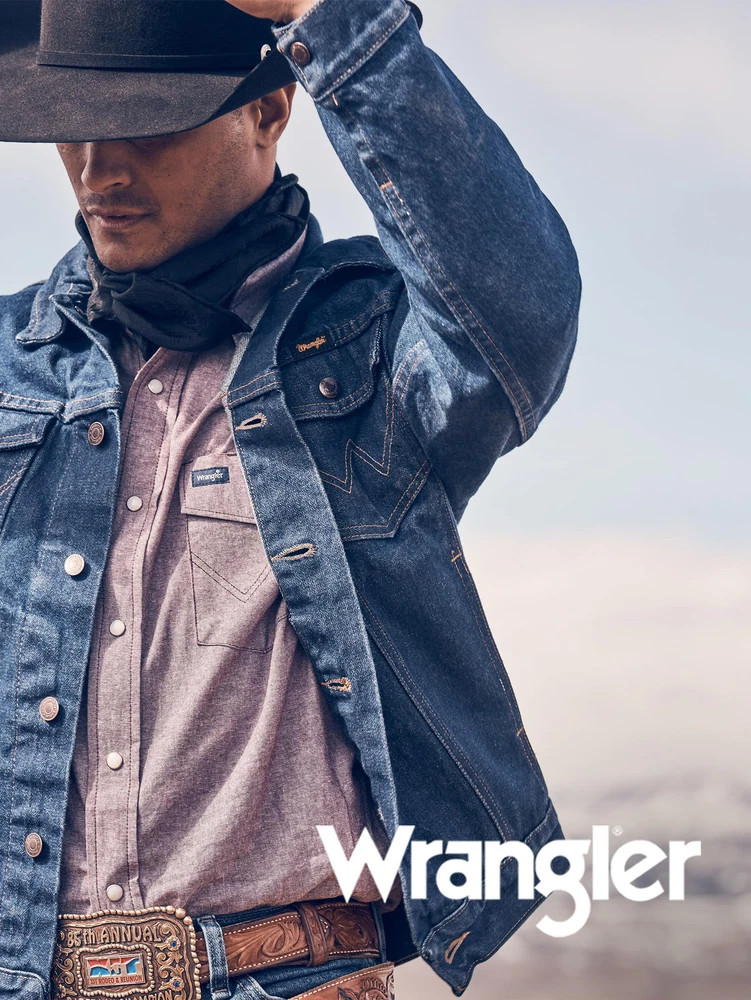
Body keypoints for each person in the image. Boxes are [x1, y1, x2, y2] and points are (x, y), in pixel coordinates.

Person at [0, 1, 581, 998]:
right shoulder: (11, 370)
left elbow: (516, 310)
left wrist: (331, 17)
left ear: (269, 111)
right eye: (75, 127)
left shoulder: (365, 343)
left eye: (145, 127)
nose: (99, 171)